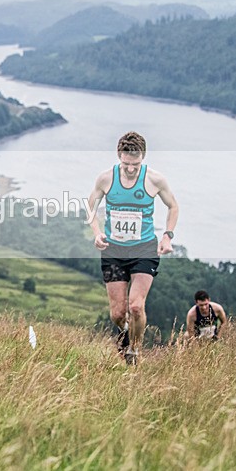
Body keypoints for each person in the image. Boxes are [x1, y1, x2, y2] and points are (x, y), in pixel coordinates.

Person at [87, 131, 179, 365]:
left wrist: (167, 237)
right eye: (126, 164)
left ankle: (134, 352)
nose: (130, 169)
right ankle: (126, 331)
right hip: (113, 252)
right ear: (119, 156)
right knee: (118, 313)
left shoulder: (154, 179)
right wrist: (97, 234)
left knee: (136, 306)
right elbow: (90, 206)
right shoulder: (106, 178)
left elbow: (173, 206)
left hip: (144, 250)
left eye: (135, 165)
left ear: (143, 157)